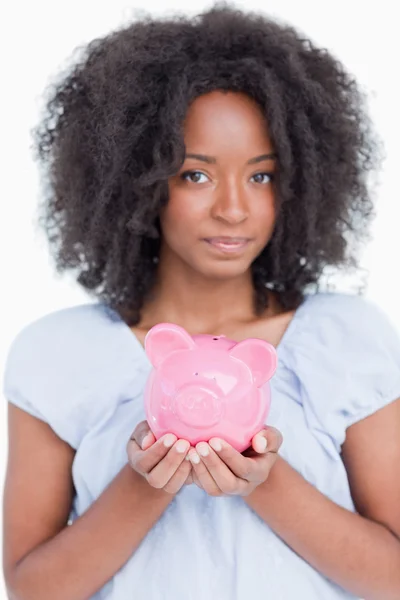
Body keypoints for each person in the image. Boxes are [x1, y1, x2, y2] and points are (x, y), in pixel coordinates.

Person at [2, 3, 400, 600]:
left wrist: (261, 480)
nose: (234, 209)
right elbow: (32, 588)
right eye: (197, 175)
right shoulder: (58, 354)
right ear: (135, 180)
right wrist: (147, 483)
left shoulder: (347, 341)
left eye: (261, 176)